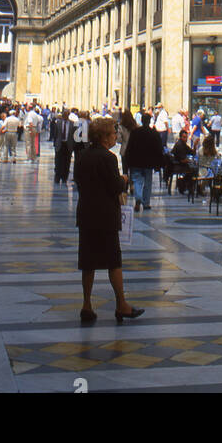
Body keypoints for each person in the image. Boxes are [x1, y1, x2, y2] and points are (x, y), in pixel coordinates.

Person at [74, 116, 144, 325]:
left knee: (88, 262)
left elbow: (79, 180)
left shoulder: (82, 156)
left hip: (86, 214)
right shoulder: (108, 158)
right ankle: (121, 304)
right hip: (105, 215)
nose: (116, 136)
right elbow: (115, 186)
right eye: (113, 133)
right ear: (104, 137)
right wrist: (123, 180)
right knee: (114, 260)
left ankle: (86, 305)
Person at [124, 110, 164, 211]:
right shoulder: (153, 133)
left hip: (136, 161)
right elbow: (159, 149)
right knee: (148, 182)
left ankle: (138, 198)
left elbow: (129, 147)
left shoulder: (135, 132)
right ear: (149, 121)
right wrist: (158, 163)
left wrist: (128, 161)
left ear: (141, 120)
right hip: (149, 162)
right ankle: (146, 203)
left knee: (137, 181)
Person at [53, 108, 76, 185]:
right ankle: (57, 177)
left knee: (67, 162)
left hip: (68, 145)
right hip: (60, 144)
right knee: (58, 162)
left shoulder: (72, 124)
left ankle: (64, 178)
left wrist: (72, 146)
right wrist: (55, 144)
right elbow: (55, 134)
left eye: (66, 114)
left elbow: (73, 136)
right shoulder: (58, 123)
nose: (65, 116)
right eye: (64, 114)